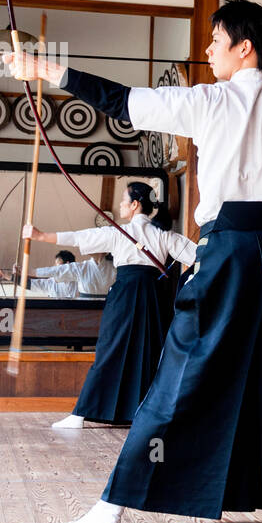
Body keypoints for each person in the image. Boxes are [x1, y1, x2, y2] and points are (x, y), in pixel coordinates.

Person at [5, 0, 262, 523]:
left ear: (244, 47)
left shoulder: (206, 101)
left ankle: (112, 510)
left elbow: (118, 101)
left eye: (216, 39)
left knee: (182, 368)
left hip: (229, 250)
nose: (208, 49)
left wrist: (43, 71)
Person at [24, 182, 196, 429]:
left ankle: (80, 414)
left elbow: (80, 237)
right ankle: (153, 414)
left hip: (126, 293)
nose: (121, 206)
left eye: (124, 201)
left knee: (110, 349)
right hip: (155, 297)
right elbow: (198, 256)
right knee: (153, 350)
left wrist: (41, 236)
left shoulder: (120, 232)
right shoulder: (163, 234)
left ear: (135, 205)